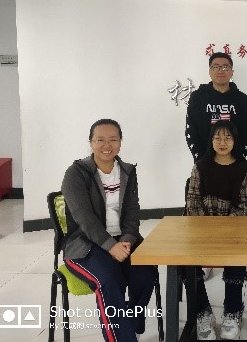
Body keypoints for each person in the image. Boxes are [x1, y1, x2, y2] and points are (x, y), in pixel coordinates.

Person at [61, 119, 158, 342]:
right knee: (109, 279)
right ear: (91, 142)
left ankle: (129, 325)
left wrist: (127, 239)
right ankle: (122, 337)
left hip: (123, 240)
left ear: (120, 142)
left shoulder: (127, 171)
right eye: (100, 140)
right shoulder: (76, 173)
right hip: (85, 244)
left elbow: (133, 212)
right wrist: (110, 246)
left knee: (146, 274)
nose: (107, 145)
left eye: (113, 139)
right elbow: (84, 218)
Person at [185, 120, 247, 340]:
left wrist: (222, 232)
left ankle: (233, 311)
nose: (222, 142)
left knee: (235, 259)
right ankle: (203, 311)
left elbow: (245, 207)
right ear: (211, 140)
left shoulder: (245, 169)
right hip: (202, 231)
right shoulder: (200, 166)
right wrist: (208, 232)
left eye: (228, 137)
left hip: (234, 232)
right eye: (217, 137)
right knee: (186, 264)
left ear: (235, 141)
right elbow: (193, 203)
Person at [186, 52, 247, 161]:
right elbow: (191, 131)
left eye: (225, 67)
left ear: (232, 72)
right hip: (204, 162)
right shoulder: (197, 97)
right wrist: (201, 160)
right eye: (216, 67)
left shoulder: (242, 99)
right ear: (209, 71)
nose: (221, 70)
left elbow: (246, 132)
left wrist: (237, 159)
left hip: (233, 162)